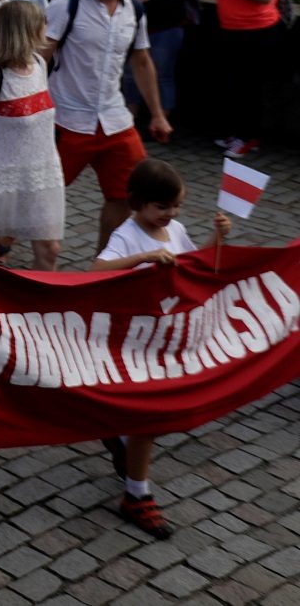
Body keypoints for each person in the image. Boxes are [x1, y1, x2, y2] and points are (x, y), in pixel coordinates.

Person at [90, 158, 231, 539]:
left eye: (177, 206)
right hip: (134, 342)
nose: (172, 214)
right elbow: (95, 271)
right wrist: (143, 257)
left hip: (167, 338)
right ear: (138, 203)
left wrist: (216, 241)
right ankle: (137, 494)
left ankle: (119, 436)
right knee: (148, 419)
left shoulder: (177, 229)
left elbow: (194, 266)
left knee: (153, 417)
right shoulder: (127, 233)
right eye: (163, 207)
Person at [45, 0, 172, 249]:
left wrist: (156, 114)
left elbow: (142, 61)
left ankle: (106, 265)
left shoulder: (135, 10)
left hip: (115, 121)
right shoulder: (67, 3)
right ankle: (1, 247)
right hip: (67, 119)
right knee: (41, 195)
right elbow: (42, 54)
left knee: (130, 194)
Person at [0, 0, 64, 269]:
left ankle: (43, 307)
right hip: (0, 177)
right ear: (25, 29)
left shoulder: (40, 64)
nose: (46, 26)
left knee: (50, 248)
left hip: (42, 174)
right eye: (41, 21)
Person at [203, 0, 283, 159]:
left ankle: (249, 138)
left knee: (250, 88)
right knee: (232, 85)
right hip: (231, 30)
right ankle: (236, 133)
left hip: (257, 33)